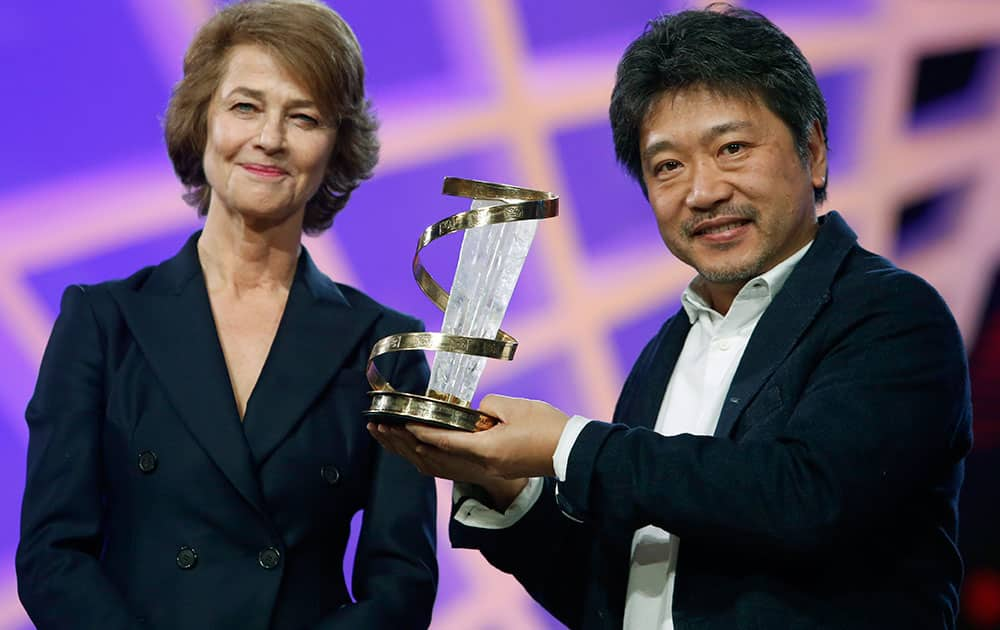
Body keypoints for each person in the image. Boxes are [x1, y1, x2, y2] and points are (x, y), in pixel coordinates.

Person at [371, 5, 972, 629]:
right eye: (667, 166)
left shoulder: (892, 314)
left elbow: (803, 498)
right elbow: (621, 594)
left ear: (813, 151)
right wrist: (505, 484)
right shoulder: (668, 348)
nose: (703, 191)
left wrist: (564, 443)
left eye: (732, 148)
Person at [17, 1, 437, 628]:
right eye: (245, 106)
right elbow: (53, 555)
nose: (269, 137)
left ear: (335, 149)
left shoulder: (383, 349)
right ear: (202, 121)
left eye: (304, 117)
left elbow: (400, 584)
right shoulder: (102, 323)